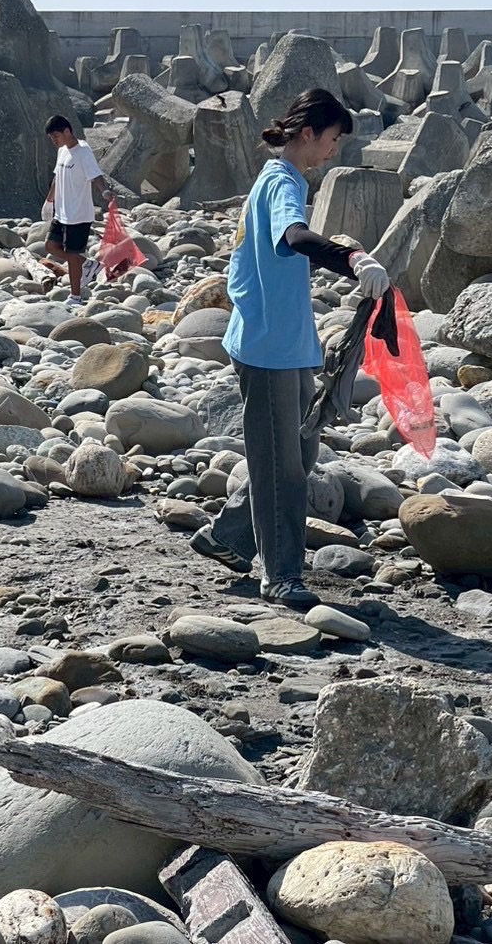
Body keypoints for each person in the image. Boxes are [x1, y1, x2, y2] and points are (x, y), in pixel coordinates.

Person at [190, 88, 390, 606]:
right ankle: (281, 575)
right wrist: (351, 260)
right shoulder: (281, 181)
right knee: (283, 468)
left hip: (289, 342)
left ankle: (228, 536)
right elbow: (295, 239)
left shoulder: (283, 179)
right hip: (268, 347)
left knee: (296, 453)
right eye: (333, 139)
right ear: (308, 133)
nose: (334, 150)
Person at [41, 115, 117, 305]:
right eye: (51, 138)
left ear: (67, 131)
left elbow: (96, 175)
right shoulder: (62, 150)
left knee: (72, 255)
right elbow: (57, 177)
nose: (54, 141)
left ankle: (75, 297)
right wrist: (49, 201)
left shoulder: (83, 152)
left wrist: (104, 191)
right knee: (50, 246)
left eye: (56, 136)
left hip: (78, 214)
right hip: (62, 212)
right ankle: (89, 265)